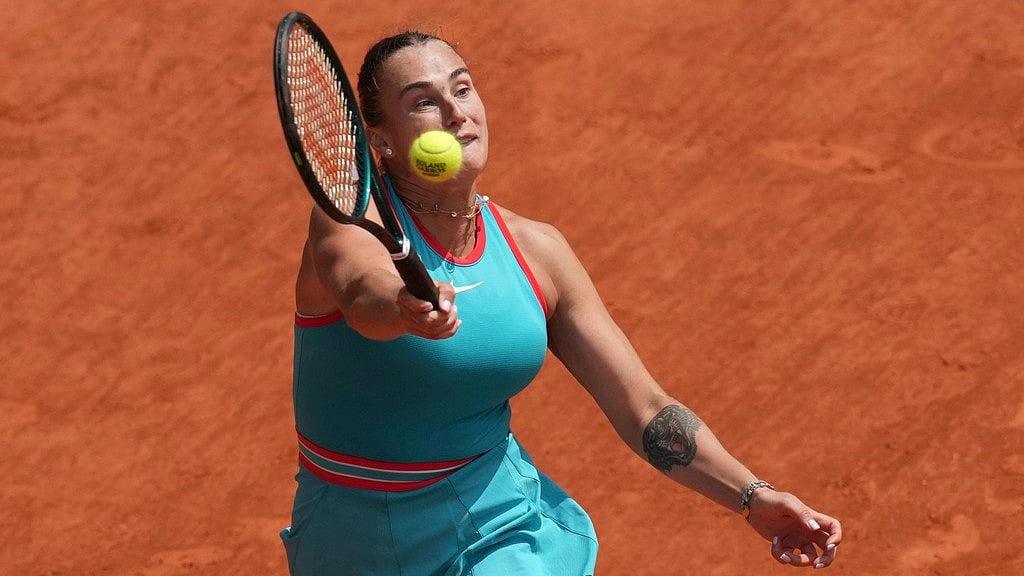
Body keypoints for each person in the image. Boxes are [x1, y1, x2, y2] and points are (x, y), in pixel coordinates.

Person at [280, 30, 842, 576]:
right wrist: (402, 305)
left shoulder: (537, 253)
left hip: (493, 525)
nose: (456, 113)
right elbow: (359, 291)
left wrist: (753, 496)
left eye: (463, 88)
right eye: (424, 102)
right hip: (345, 537)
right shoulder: (353, 220)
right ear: (381, 141)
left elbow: (644, 409)